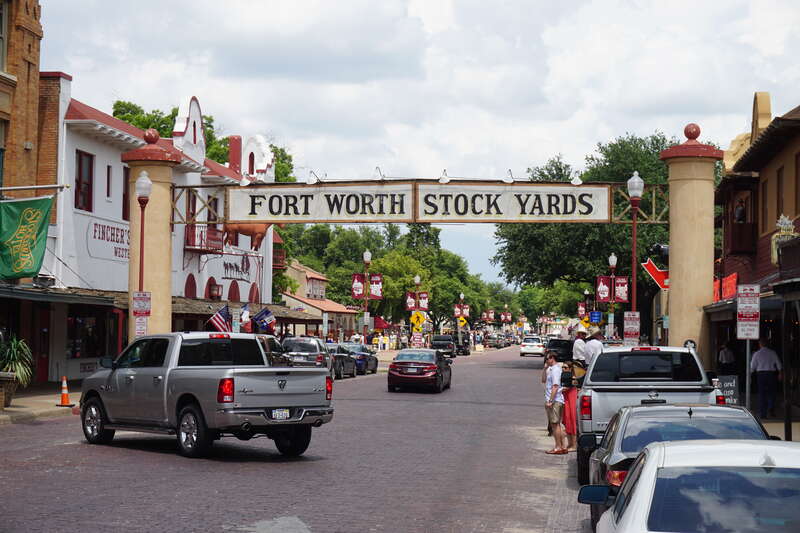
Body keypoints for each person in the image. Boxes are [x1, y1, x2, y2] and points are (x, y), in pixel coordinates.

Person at [751, 338, 782, 419]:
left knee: (762, 394)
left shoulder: (757, 354)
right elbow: (778, 363)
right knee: (771, 392)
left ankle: (763, 414)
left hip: (761, 374)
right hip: (771, 374)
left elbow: (752, 366)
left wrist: (750, 374)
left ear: (760, 344)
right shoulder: (772, 352)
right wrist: (780, 373)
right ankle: (771, 407)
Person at [544, 352, 567, 454]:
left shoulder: (556, 370)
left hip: (555, 400)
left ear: (552, 358)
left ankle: (558, 447)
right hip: (554, 399)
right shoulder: (551, 369)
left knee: (555, 424)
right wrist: (544, 369)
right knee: (556, 424)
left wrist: (550, 400)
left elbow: (555, 386)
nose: (546, 361)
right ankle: (563, 446)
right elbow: (543, 380)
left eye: (547, 359)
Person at [561, 360, 578, 452]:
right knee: (567, 420)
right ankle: (570, 443)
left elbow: (572, 385)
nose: (563, 369)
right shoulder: (563, 376)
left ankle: (574, 445)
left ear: (570, 368)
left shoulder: (573, 378)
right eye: (563, 367)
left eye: (565, 367)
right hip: (566, 400)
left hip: (571, 399)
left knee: (572, 420)